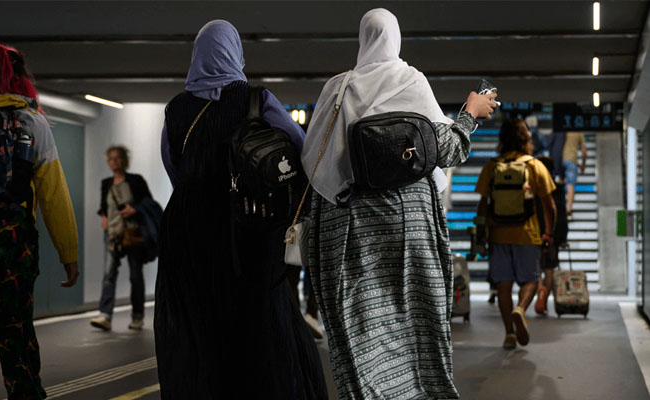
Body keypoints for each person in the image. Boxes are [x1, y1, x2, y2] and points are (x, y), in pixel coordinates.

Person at [303, 9, 497, 399]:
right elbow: (445, 148)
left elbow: (314, 159)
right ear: (396, 38)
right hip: (409, 225)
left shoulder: (338, 89)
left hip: (351, 229)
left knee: (360, 323)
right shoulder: (410, 80)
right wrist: (469, 115)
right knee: (416, 319)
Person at [155, 20, 327, 399]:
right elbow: (302, 148)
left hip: (186, 227)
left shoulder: (176, 110)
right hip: (246, 223)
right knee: (256, 317)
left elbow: (173, 167)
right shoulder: (256, 99)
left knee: (196, 322)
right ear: (236, 52)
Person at [0, 42, 79, 399]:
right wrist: (69, 254)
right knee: (16, 340)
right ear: (20, 77)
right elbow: (54, 195)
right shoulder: (31, 121)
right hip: (12, 249)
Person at [474, 119, 556, 350]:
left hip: (498, 235)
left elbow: (482, 204)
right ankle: (520, 310)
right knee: (530, 280)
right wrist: (549, 232)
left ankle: (509, 333)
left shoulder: (492, 165)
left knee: (503, 285)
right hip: (527, 234)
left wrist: (481, 231)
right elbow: (549, 205)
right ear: (526, 139)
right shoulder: (534, 165)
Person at [89, 146, 153, 331]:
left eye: (117, 158)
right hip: (112, 234)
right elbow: (104, 205)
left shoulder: (136, 180)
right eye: (110, 159)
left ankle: (138, 316)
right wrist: (104, 218)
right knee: (108, 274)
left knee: (135, 275)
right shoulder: (106, 183)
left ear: (124, 160)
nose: (114, 162)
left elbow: (147, 202)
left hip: (133, 233)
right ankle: (105, 315)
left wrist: (135, 209)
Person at [534, 156, 568, 315]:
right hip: (552, 234)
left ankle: (539, 289)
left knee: (538, 266)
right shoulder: (558, 188)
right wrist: (562, 237)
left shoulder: (534, 186)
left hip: (535, 232)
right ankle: (545, 299)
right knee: (549, 268)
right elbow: (561, 213)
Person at [561, 131, 587, 215]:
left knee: (560, 182)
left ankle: (560, 206)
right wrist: (583, 164)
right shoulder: (579, 132)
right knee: (570, 185)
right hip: (572, 160)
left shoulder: (564, 130)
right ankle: (569, 209)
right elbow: (584, 151)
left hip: (560, 159)